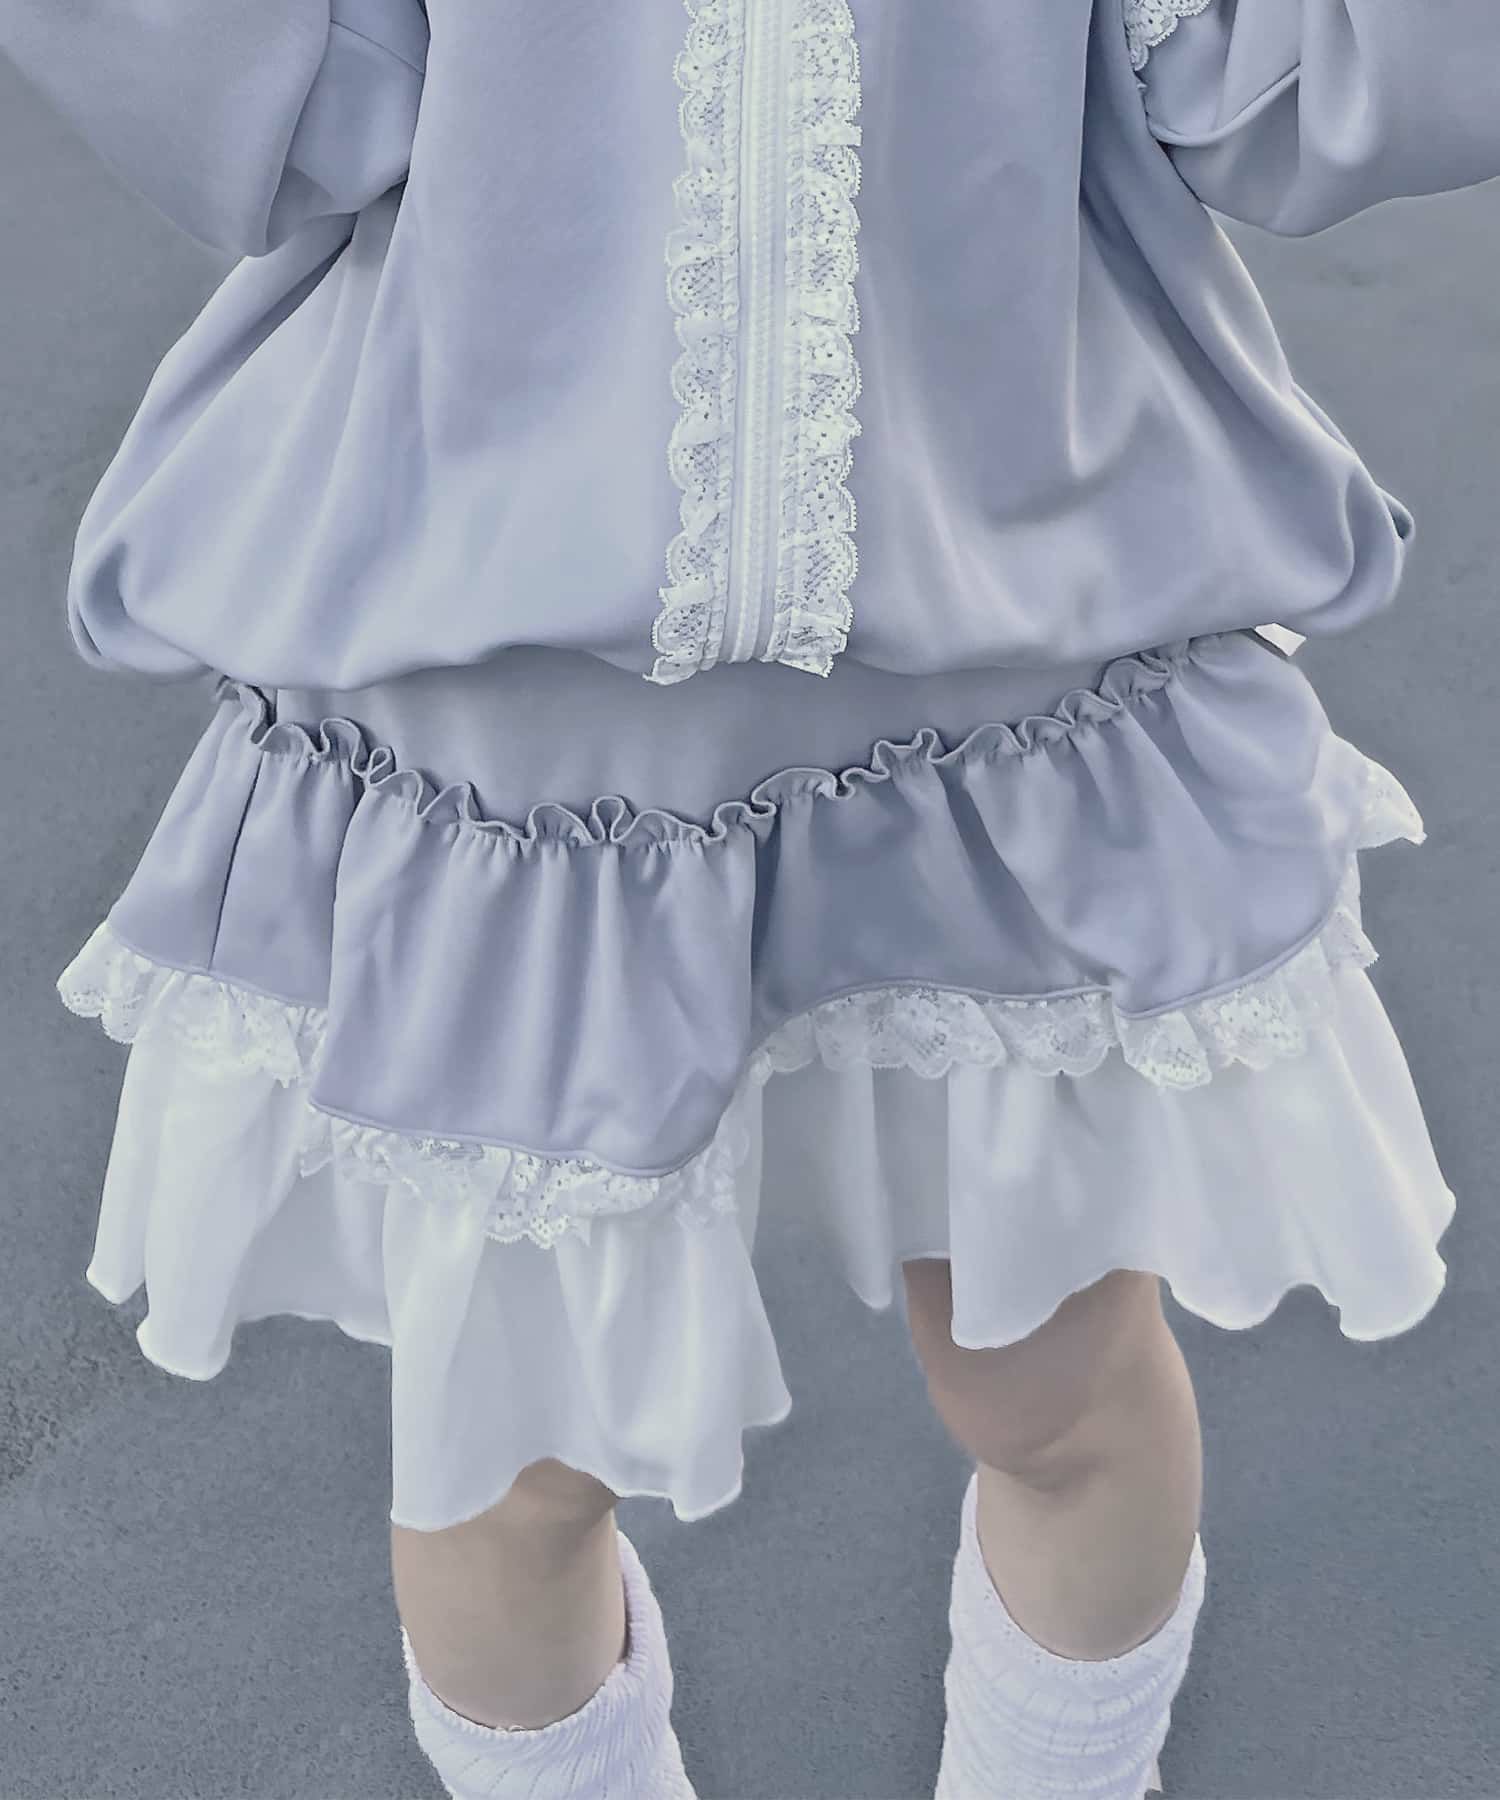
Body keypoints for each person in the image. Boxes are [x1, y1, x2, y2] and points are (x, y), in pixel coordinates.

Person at [12, 0, 1493, 1792]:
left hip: (1007, 649)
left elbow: (1270, 78)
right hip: (517, 720)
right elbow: (287, 100)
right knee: (517, 1459)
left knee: (1058, 1381)